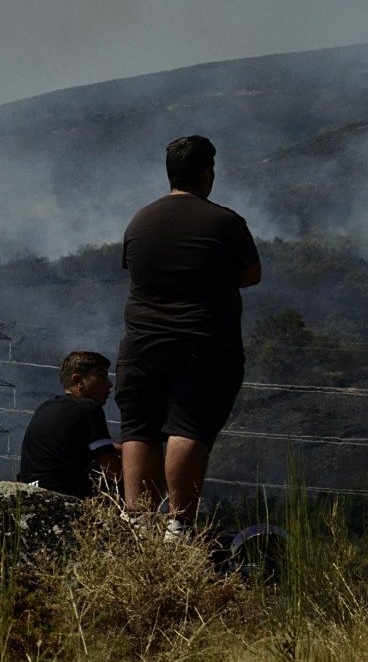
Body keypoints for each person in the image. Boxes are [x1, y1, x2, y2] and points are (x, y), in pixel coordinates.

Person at [116, 135, 260, 538]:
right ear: (207, 174)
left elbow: (137, 273)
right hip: (204, 342)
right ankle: (178, 527)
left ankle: (135, 524)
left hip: (142, 342)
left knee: (139, 426)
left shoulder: (139, 221)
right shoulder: (224, 221)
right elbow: (251, 275)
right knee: (190, 427)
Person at [17, 351, 121, 499]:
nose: (109, 384)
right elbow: (112, 469)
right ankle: (137, 516)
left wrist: (123, 449)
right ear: (78, 381)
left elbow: (88, 447)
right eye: (102, 376)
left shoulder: (46, 407)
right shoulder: (89, 407)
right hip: (61, 493)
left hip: (31, 490)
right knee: (129, 473)